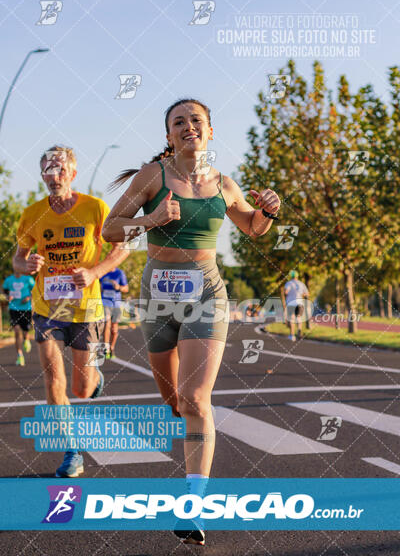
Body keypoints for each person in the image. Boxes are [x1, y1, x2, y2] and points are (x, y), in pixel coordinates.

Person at [103, 98, 281, 545]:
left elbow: (253, 228)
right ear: (169, 136)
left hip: (206, 294)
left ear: (210, 131)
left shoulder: (225, 184)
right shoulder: (153, 178)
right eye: (178, 122)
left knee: (197, 399)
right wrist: (151, 219)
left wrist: (268, 212)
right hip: (157, 299)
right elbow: (110, 229)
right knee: (174, 401)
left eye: (195, 120)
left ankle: (193, 505)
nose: (187, 127)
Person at [13, 145, 128, 478]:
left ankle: (95, 379)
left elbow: (121, 248)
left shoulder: (95, 208)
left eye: (60, 169)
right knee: (53, 382)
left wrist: (94, 272)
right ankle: (71, 451)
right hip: (46, 307)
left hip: (86, 309)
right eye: (48, 169)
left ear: (73, 174)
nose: (54, 175)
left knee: (82, 388)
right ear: (42, 175)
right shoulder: (32, 214)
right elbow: (17, 260)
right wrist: (26, 263)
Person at [3, 269, 35, 366]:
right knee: (16, 331)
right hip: (14, 308)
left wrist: (29, 298)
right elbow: (5, 291)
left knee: (25, 331)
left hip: (26, 309)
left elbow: (35, 290)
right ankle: (19, 355)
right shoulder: (9, 280)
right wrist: (8, 297)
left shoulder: (28, 279)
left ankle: (26, 339)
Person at [99, 267, 129, 359]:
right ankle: (106, 349)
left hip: (116, 303)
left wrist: (118, 287)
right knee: (106, 324)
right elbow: (98, 286)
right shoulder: (103, 272)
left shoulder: (119, 273)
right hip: (105, 302)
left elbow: (126, 289)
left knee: (114, 329)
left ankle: (112, 347)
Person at [284, 270, 309, 341]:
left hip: (291, 302)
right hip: (299, 302)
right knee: (298, 318)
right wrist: (301, 294)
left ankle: (292, 335)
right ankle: (299, 330)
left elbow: (286, 292)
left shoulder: (288, 283)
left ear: (291, 276)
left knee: (291, 319)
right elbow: (307, 293)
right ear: (297, 276)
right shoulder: (301, 283)